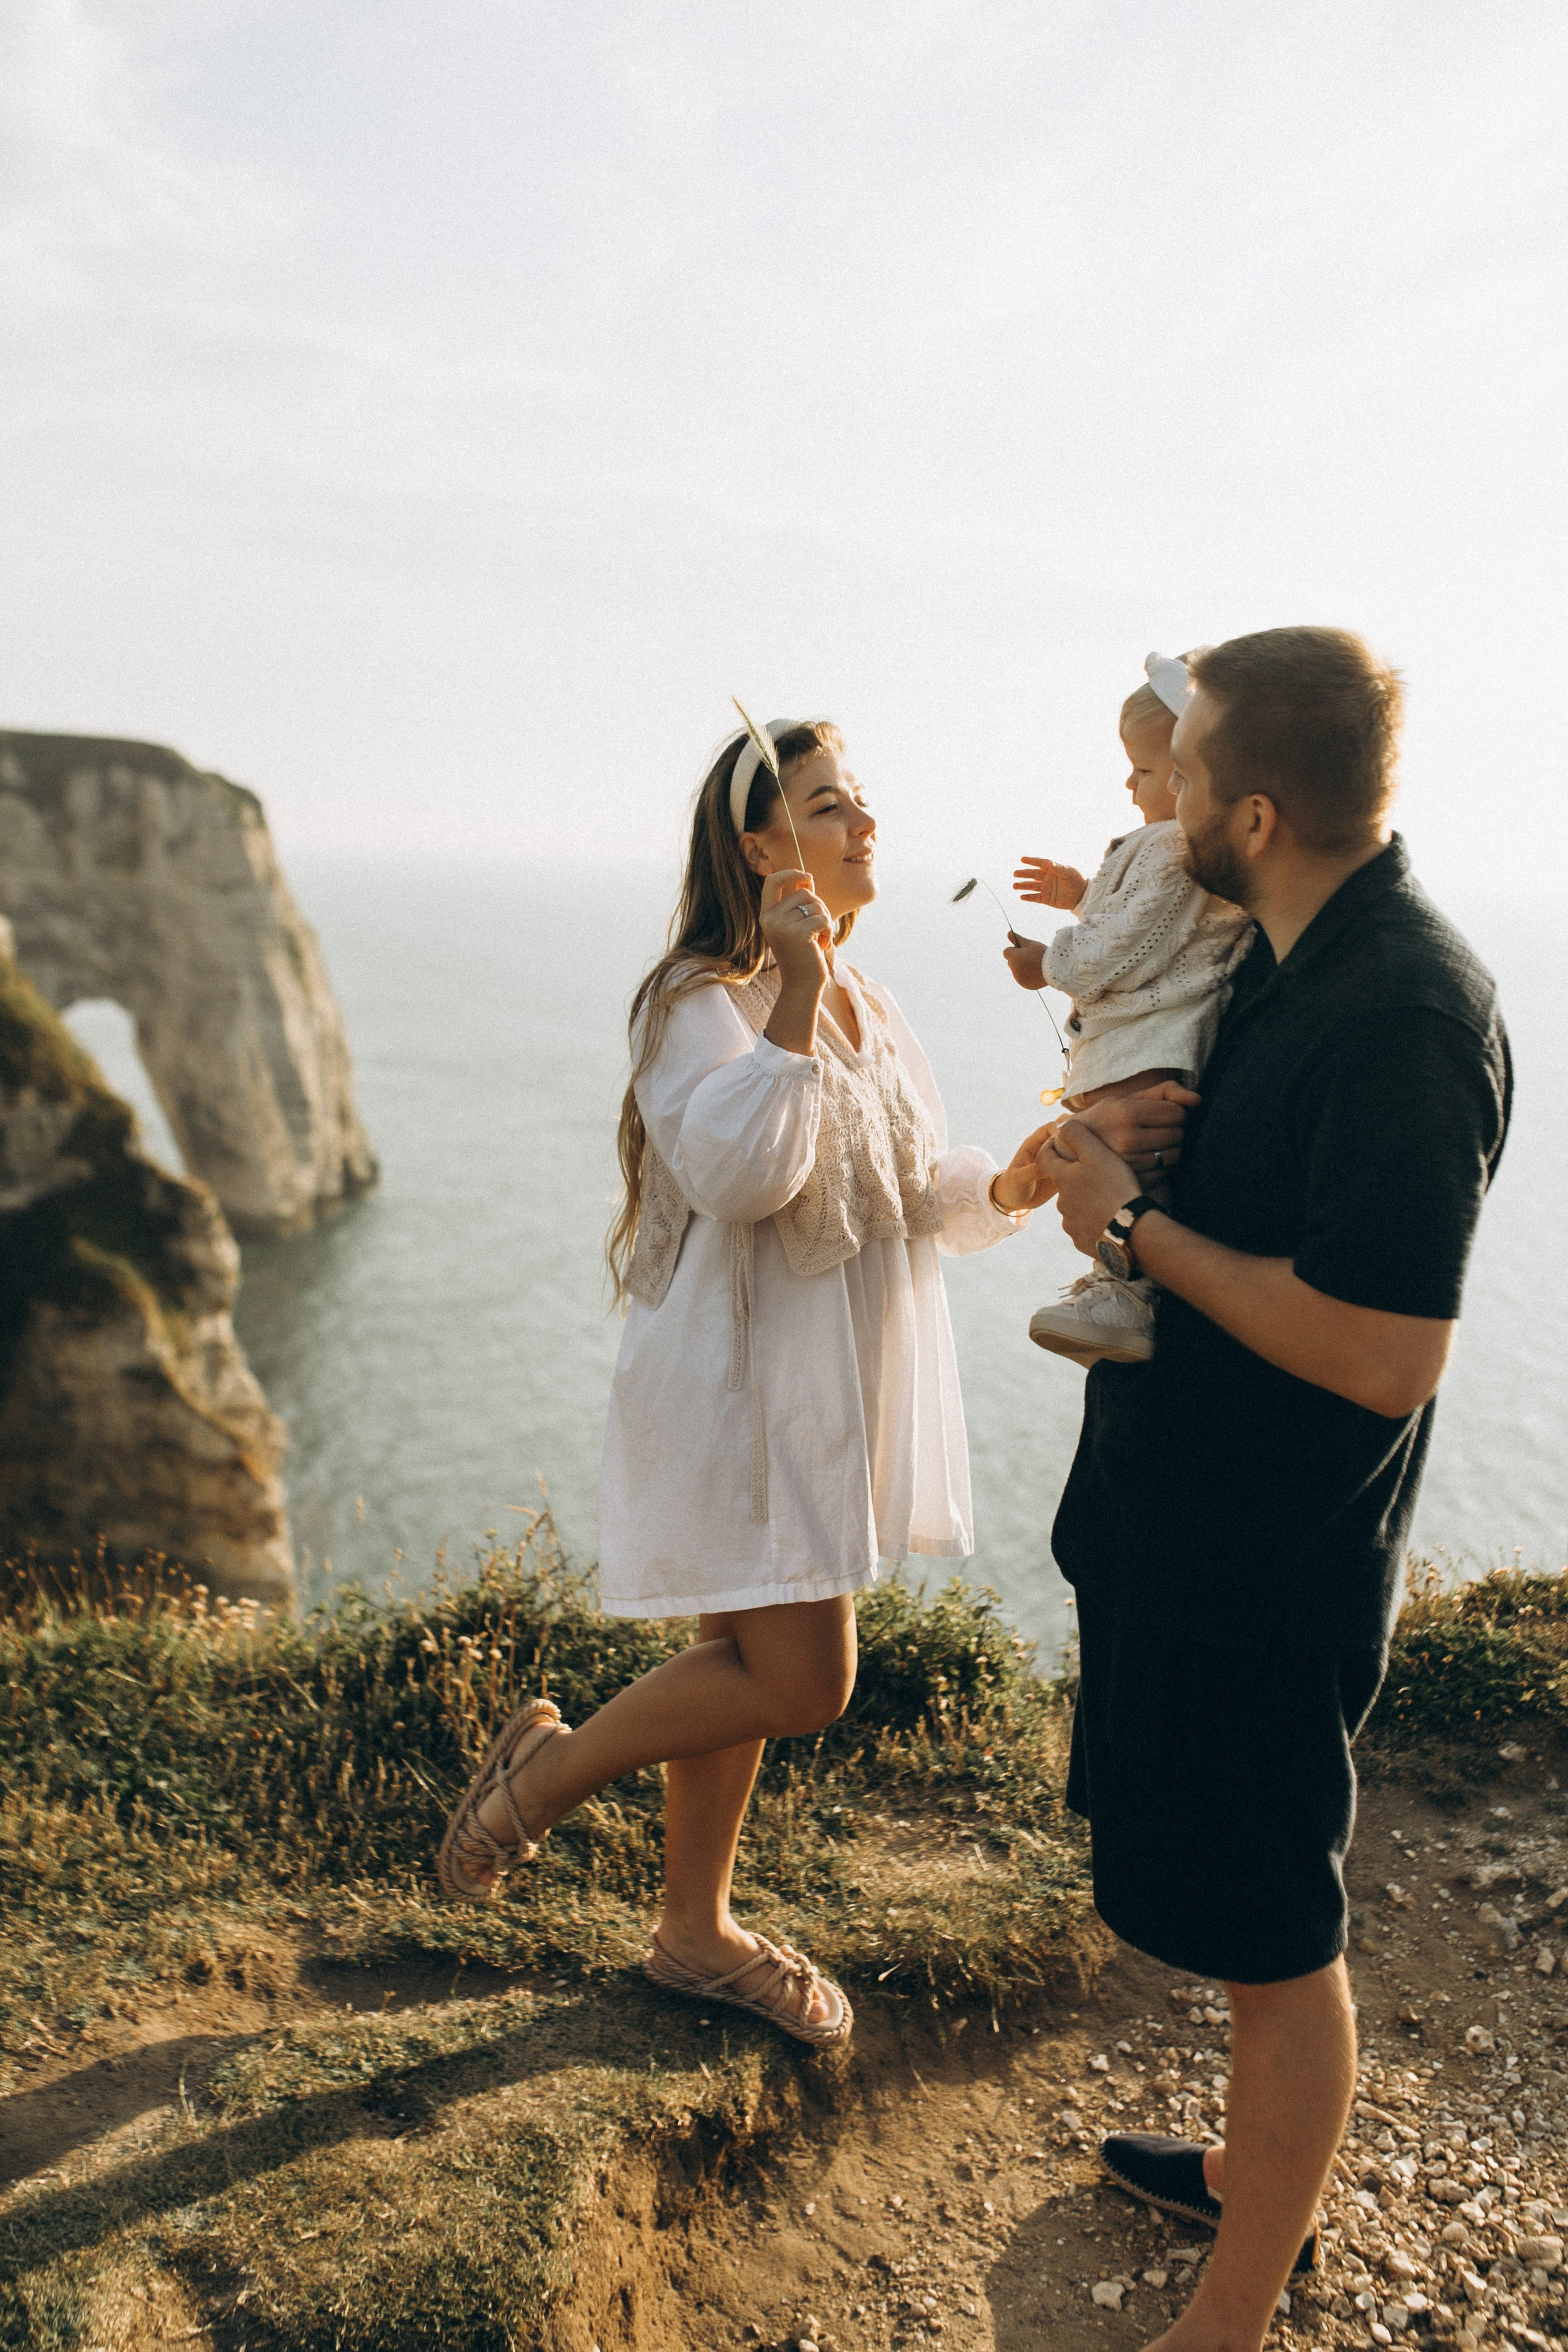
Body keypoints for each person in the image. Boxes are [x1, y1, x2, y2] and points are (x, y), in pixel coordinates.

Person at [436, 715, 1062, 2044]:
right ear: (758, 845)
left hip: (819, 1380)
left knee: (739, 1655)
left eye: (860, 800)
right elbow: (743, 1172)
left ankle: (691, 1932)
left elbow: (901, 1188)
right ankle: (539, 1781)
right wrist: (783, 988)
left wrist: (1013, 1180)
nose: (864, 824)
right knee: (805, 1680)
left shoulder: (871, 1007)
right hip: (742, 1389)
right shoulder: (695, 1000)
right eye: (830, 804)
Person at [1041, 627, 1511, 2352]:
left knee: (1278, 1924)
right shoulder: (1285, 960)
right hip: (1195, 1524)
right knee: (1235, 1904)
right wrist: (1136, 1156)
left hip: (1273, 1551)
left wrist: (1135, 1226)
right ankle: (1254, 2181)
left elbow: (1392, 1352)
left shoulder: (1403, 1014)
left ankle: (1238, 2307)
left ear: (1249, 807)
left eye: (1180, 769)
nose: (1152, 789)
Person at [1005, 653, 1251, 1366]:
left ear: (1188, 778)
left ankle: (1128, 1297)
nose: (1129, 783)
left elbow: (1116, 950)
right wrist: (1081, 893)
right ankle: (1115, 1287)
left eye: (1143, 771)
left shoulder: (1174, 846)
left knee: (1127, 1165)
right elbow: (1155, 929)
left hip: (1146, 1044)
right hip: (1145, 1041)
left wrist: (1042, 965)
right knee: (1119, 1160)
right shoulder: (1175, 848)